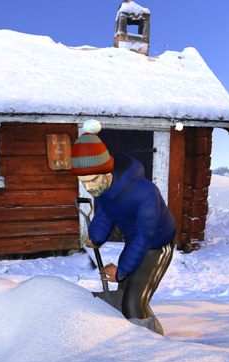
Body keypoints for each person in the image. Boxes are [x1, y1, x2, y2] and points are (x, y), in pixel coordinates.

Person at [71, 120, 176, 336]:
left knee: (132, 302)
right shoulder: (103, 189)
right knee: (124, 293)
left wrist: (120, 272)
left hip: (157, 245)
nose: (89, 187)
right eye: (83, 182)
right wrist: (96, 237)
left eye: (93, 180)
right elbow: (105, 213)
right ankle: (149, 333)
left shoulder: (145, 193)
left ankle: (150, 347)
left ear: (107, 172)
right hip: (135, 241)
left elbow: (143, 236)